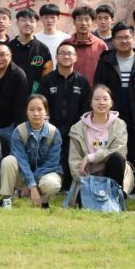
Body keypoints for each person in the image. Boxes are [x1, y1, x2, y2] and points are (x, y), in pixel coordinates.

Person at [93, 22, 135, 171]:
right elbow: (98, 88)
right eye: (119, 38)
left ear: (133, 38)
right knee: (114, 150)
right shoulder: (105, 62)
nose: (124, 41)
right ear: (113, 40)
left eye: (127, 37)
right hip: (112, 114)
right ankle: (115, 179)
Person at [37, 42, 91, 189]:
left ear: (75, 57)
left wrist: (78, 128)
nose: (66, 56)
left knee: (71, 160)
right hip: (52, 131)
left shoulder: (82, 81)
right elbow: (41, 105)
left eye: (69, 53)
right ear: (56, 57)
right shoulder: (47, 80)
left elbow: (86, 109)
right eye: (62, 53)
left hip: (76, 132)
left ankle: (70, 185)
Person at [0, 94, 63, 208]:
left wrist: (32, 184)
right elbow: (21, 160)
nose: (36, 113)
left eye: (40, 109)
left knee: (52, 184)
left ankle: (43, 202)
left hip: (44, 175)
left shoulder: (54, 133)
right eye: (31, 109)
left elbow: (52, 163)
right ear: (26, 112)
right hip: (23, 175)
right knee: (8, 161)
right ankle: (6, 200)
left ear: (46, 111)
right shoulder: (19, 131)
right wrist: (30, 184)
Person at [69, 84, 134, 196]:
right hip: (88, 179)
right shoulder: (77, 128)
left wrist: (91, 157)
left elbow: (120, 151)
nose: (101, 102)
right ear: (90, 103)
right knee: (85, 200)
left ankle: (115, 196)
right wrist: (85, 182)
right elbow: (74, 160)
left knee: (117, 158)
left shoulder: (119, 125)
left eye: (105, 99)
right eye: (97, 99)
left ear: (111, 103)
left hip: (112, 175)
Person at [8, 8, 53, 92]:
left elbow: (47, 77)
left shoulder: (43, 49)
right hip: (10, 95)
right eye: (24, 20)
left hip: (34, 96)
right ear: (17, 22)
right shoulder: (7, 48)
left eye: (32, 21)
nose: (28, 24)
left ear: (36, 24)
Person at [67, 5, 108, 83]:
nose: (83, 23)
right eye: (79, 19)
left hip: (94, 89)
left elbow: (106, 72)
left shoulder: (101, 45)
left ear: (93, 22)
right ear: (74, 22)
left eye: (87, 19)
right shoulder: (66, 44)